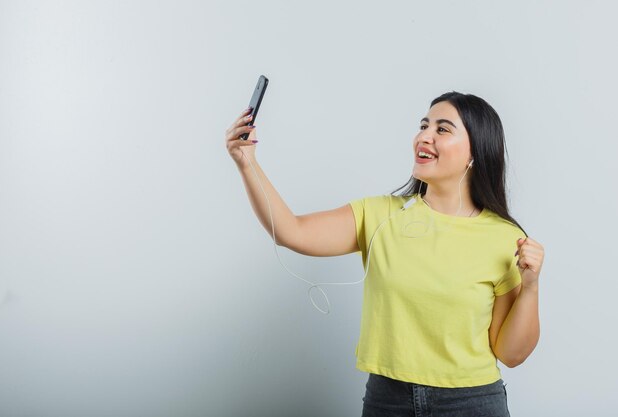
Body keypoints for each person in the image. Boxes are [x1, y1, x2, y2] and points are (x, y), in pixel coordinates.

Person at [224, 91, 544, 417]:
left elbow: (510, 353)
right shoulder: (379, 215)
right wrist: (247, 162)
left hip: (471, 403)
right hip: (388, 399)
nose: (424, 137)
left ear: (475, 151)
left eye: (442, 129)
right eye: (424, 125)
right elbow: (290, 231)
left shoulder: (505, 238)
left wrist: (530, 286)